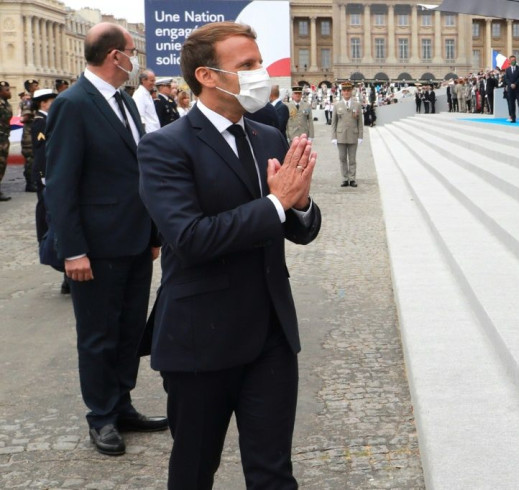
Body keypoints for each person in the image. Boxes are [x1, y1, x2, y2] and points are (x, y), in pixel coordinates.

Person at [137, 21, 321, 489]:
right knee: (196, 470)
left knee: (274, 473)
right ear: (208, 76)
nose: (262, 72)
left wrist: (299, 206)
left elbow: (299, 229)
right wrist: (277, 203)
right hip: (201, 338)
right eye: (248, 65)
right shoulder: (165, 147)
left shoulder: (268, 137)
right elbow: (192, 238)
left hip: (271, 335)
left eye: (259, 61)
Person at [45, 22, 167, 457]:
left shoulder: (125, 103)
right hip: (95, 248)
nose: (136, 60)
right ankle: (101, 417)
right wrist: (72, 250)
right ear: (115, 56)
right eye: (132, 52)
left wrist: (152, 233)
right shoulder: (73, 104)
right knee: (98, 335)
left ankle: (122, 404)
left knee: (129, 330)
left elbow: (137, 175)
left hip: (134, 242)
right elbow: (60, 184)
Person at [30, 88, 69, 294]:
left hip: (51, 173)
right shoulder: (40, 121)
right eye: (52, 101)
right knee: (51, 216)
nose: (54, 103)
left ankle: (67, 277)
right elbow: (42, 151)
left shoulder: (49, 119)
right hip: (46, 174)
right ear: (43, 103)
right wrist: (46, 173)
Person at [331, 81, 363, 187]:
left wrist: (360, 136)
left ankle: (352, 178)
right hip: (341, 136)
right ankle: (345, 178)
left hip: (353, 135)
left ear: (351, 91)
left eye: (348, 90)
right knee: (342, 158)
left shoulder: (357, 105)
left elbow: (360, 122)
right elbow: (334, 122)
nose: (346, 92)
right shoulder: (337, 105)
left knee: (352, 159)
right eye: (344, 90)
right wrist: (333, 137)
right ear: (342, 92)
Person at [20, 79, 39, 192]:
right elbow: (26, 116)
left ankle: (34, 181)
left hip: (34, 131)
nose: (38, 88)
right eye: (36, 86)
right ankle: (30, 183)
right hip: (29, 133)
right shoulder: (29, 101)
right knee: (30, 159)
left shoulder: (35, 100)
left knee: (35, 158)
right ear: (31, 88)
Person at [0, 81, 12, 201]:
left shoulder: (6, 104)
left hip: (4, 138)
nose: (9, 92)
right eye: (7, 90)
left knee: (2, 164)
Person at [505, 55, 519, 123]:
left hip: (518, 88)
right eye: (512, 60)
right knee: (511, 103)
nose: (514, 61)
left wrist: (515, 84)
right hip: (511, 89)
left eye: (515, 60)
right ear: (509, 61)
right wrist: (510, 84)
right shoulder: (507, 70)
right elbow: (506, 79)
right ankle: (513, 118)